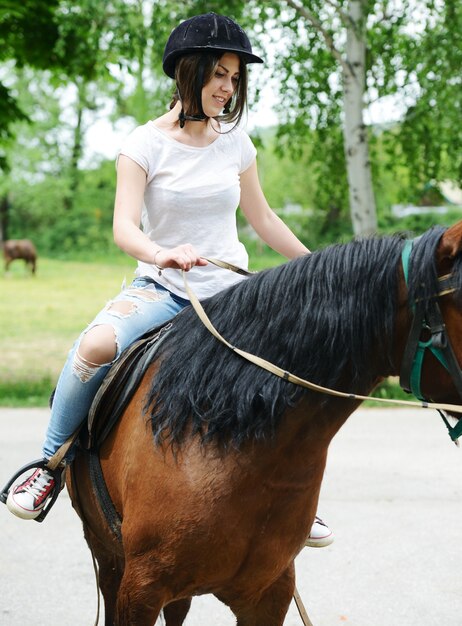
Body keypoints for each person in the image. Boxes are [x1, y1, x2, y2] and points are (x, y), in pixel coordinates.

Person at [6, 12, 333, 548]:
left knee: (291, 371)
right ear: (188, 72)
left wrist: (314, 263)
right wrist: (163, 253)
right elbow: (122, 227)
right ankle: (48, 465)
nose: (228, 88)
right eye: (219, 75)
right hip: (162, 288)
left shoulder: (236, 142)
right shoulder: (143, 144)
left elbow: (264, 219)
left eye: (235, 77)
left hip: (231, 293)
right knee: (94, 345)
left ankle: (299, 499)